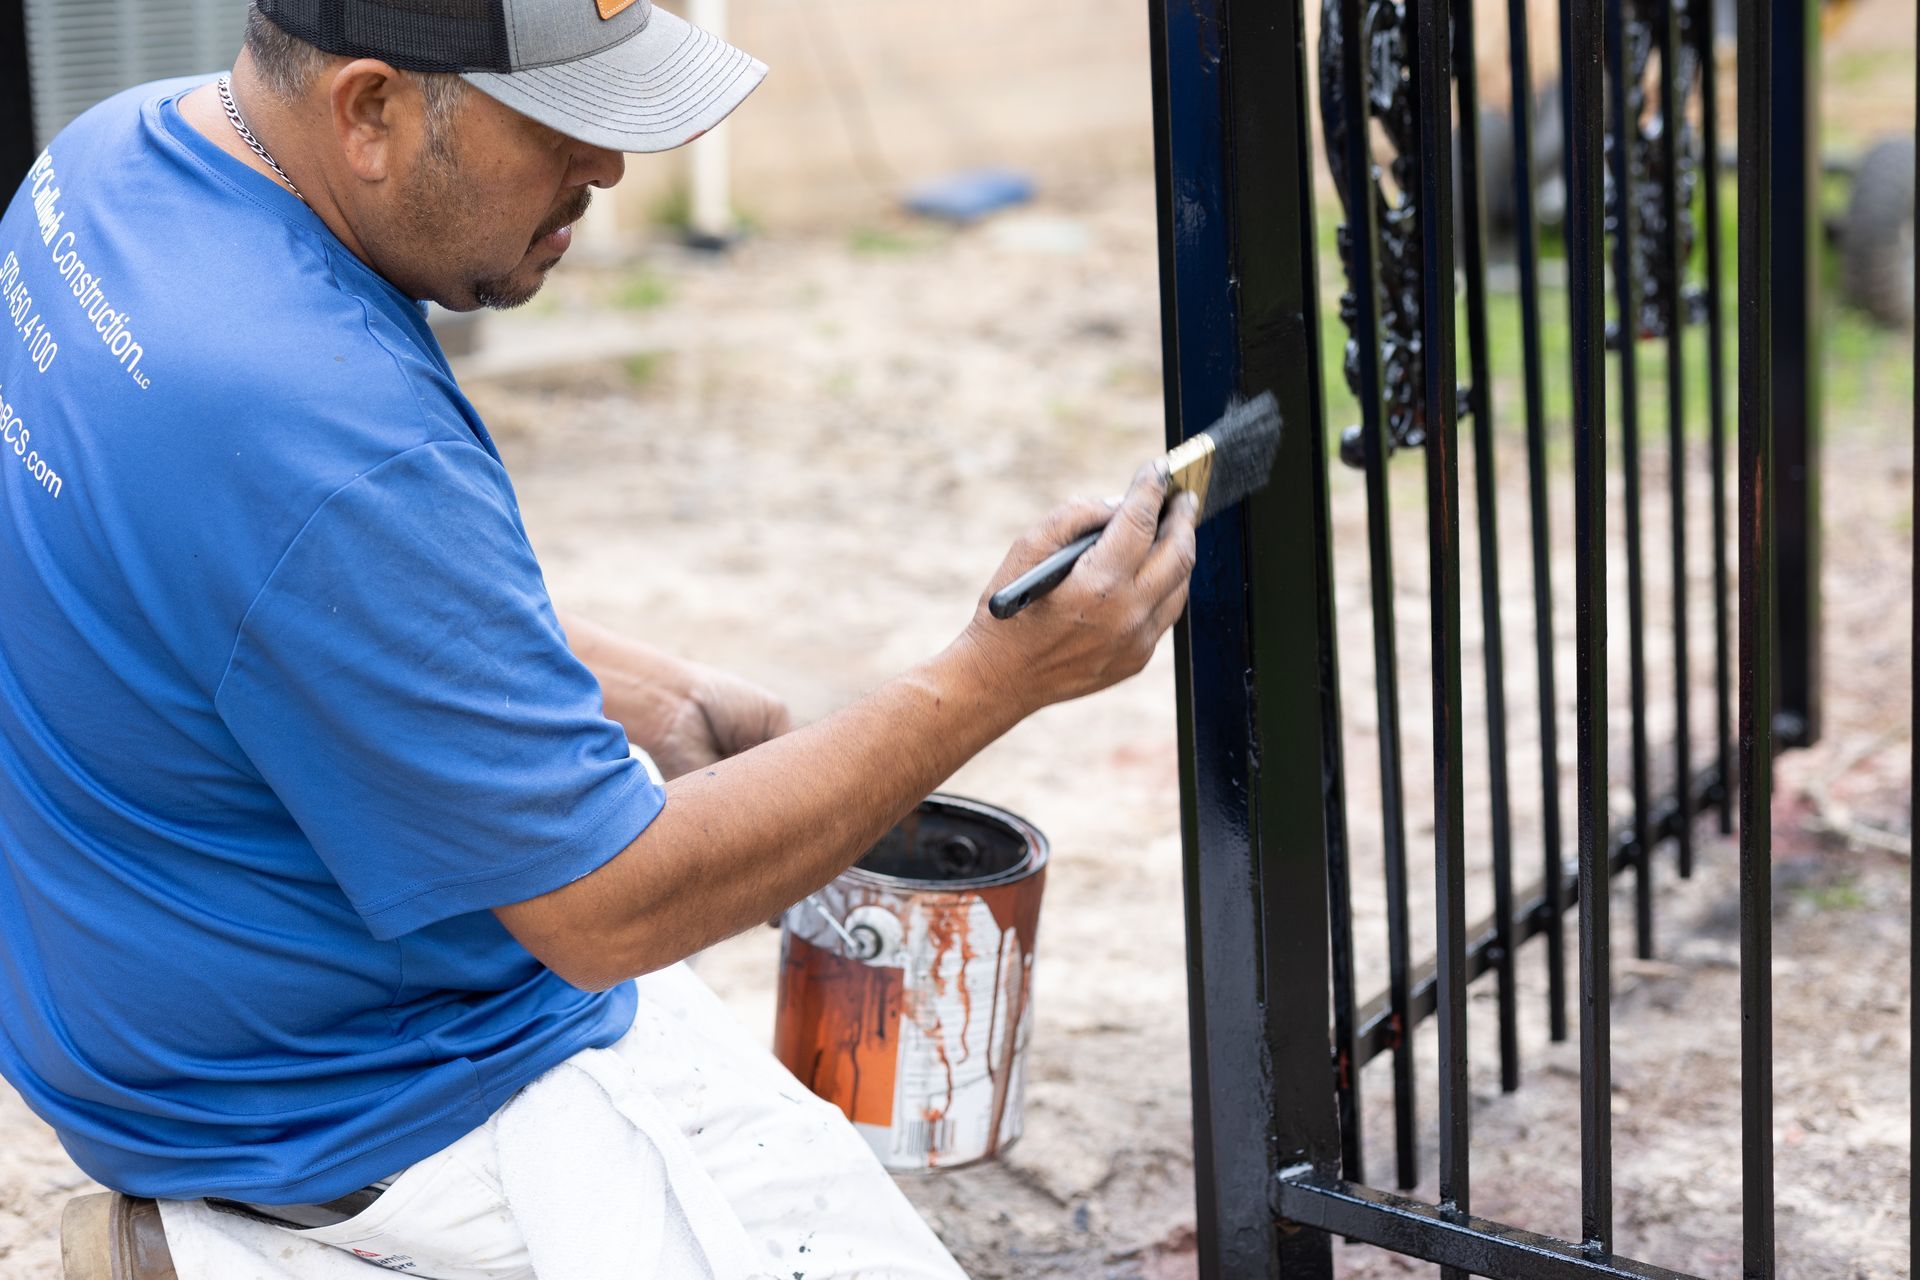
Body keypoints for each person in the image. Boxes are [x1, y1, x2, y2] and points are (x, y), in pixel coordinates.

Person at [0, 1, 1197, 1275]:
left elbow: (268, 582)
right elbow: (605, 911)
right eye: (563, 122)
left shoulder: (104, 169)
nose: (610, 168)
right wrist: (993, 677)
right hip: (355, 1091)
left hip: (137, 997)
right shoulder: (325, 423)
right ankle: (265, 1248)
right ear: (369, 111)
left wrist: (639, 690)